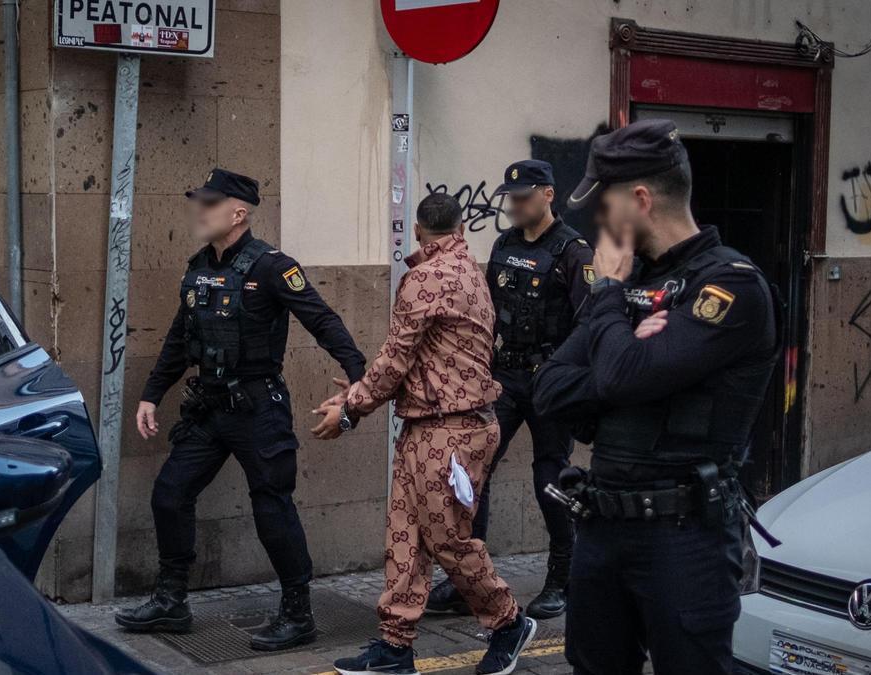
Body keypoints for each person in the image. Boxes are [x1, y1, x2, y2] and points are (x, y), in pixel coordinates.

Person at [530, 119, 778, 675]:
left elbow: (616, 378)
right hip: (602, 526)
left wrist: (610, 301)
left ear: (640, 200)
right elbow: (549, 389)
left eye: (604, 204)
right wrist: (625, 356)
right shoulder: (630, 284)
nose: (597, 219)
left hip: (683, 538)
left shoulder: (730, 286)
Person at [115, 168, 367, 652]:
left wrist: (359, 376)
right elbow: (177, 339)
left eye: (210, 204)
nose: (200, 211)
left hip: (257, 409)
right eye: (199, 202)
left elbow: (321, 319)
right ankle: (171, 601)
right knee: (170, 493)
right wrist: (152, 393)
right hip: (209, 409)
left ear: (238, 212)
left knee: (272, 507)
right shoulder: (197, 267)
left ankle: (298, 613)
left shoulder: (272, 267)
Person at [315, 193, 537, 675]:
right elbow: (425, 361)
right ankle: (395, 648)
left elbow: (396, 358)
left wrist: (352, 409)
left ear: (417, 229)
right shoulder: (471, 271)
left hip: (450, 430)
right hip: (434, 424)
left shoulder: (425, 278)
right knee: (406, 539)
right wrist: (359, 391)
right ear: (459, 228)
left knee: (446, 541)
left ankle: (508, 622)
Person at [427, 159, 593, 620]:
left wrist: (569, 380)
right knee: (471, 475)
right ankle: (469, 583)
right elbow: (486, 312)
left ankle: (562, 578)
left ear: (547, 195)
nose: (515, 206)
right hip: (505, 377)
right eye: (511, 198)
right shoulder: (504, 243)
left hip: (551, 381)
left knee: (550, 480)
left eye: (523, 198)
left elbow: (591, 324)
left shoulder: (573, 252)